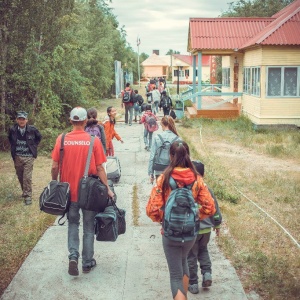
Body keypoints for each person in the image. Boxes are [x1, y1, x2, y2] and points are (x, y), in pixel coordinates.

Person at [146, 141, 216, 300]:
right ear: (188, 155)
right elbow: (209, 207)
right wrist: (193, 216)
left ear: (171, 156)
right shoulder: (197, 179)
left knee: (175, 275)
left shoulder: (164, 179)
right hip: (191, 234)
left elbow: (152, 209)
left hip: (170, 234)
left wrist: (164, 220)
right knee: (184, 262)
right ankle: (183, 296)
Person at [51, 106, 114, 276]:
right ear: (85, 121)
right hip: (89, 194)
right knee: (88, 227)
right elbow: (100, 168)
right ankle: (87, 262)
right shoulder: (93, 140)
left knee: (72, 224)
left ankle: (73, 256)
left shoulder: (62, 139)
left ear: (71, 121)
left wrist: (54, 182)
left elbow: (55, 165)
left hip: (69, 193)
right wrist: (107, 188)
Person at [187, 160, 222, 294]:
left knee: (191, 255)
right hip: (206, 229)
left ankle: (193, 283)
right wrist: (217, 223)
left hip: (192, 230)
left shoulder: (188, 189)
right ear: (203, 174)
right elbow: (215, 209)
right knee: (203, 250)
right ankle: (207, 274)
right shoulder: (208, 190)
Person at [8, 111, 42, 205]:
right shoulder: (12, 129)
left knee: (27, 177)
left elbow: (39, 138)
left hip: (29, 156)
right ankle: (25, 191)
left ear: (26, 120)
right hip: (17, 156)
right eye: (20, 119)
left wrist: (33, 146)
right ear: (17, 120)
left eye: (23, 119)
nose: (21, 121)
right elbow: (10, 139)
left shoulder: (32, 129)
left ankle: (28, 196)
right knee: (20, 176)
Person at [148, 116, 179, 183]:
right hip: (172, 169)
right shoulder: (177, 138)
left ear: (162, 124)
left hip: (159, 169)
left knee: (160, 191)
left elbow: (152, 156)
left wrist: (151, 173)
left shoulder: (157, 137)